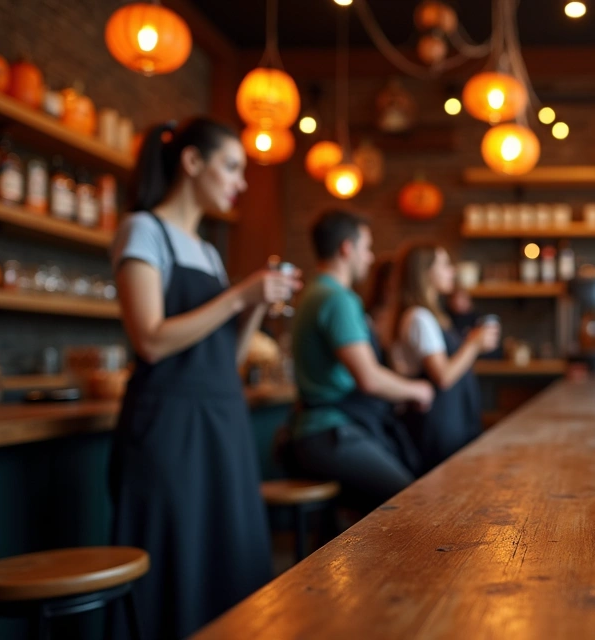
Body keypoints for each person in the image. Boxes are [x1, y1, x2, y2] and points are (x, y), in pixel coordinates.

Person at [109, 118, 302, 639]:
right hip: (169, 423)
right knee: (177, 563)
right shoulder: (142, 230)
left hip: (223, 419)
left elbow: (227, 356)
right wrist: (239, 295)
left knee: (230, 561)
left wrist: (257, 305)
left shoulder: (210, 253)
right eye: (233, 167)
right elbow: (149, 338)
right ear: (193, 163)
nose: (241, 182)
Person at [291, 210, 434, 512]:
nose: (369, 258)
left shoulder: (312, 293)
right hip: (330, 431)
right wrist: (417, 389)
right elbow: (368, 377)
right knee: (411, 503)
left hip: (312, 430)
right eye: (366, 248)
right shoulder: (338, 299)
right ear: (347, 248)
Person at [391, 244, 499, 470]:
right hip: (436, 428)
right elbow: (443, 376)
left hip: (449, 422)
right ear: (425, 272)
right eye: (445, 265)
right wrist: (473, 344)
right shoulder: (419, 317)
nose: (453, 271)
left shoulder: (430, 315)